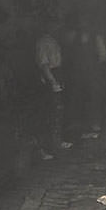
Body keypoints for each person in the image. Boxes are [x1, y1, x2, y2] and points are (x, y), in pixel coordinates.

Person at [35, 20, 72, 159]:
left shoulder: (53, 41)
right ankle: (50, 145)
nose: (58, 29)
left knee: (59, 110)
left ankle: (57, 141)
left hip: (57, 73)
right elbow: (44, 65)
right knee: (52, 111)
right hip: (50, 76)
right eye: (55, 27)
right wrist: (53, 81)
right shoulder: (43, 43)